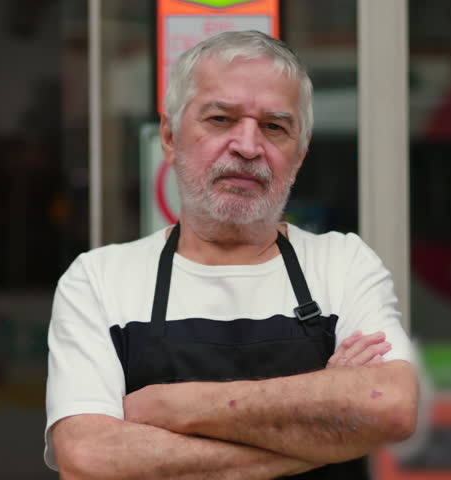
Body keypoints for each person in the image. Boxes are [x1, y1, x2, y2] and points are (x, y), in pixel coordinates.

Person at [44, 30, 419, 479]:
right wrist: (326, 426)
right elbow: (89, 458)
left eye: (274, 127)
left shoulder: (343, 265)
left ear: (299, 155)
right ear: (169, 137)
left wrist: (173, 406)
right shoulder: (99, 280)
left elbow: (392, 405)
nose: (247, 146)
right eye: (221, 119)